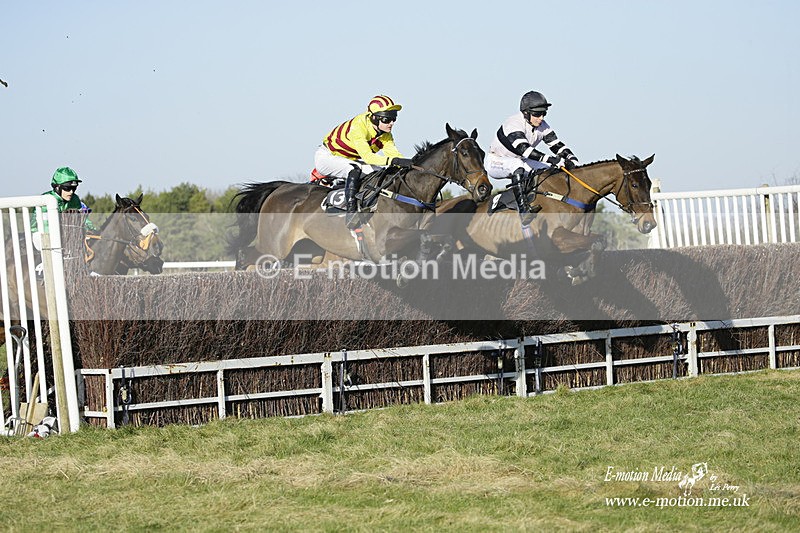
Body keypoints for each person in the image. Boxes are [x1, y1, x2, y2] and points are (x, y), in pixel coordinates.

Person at [313, 95, 413, 229]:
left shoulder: (385, 134)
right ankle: (351, 211)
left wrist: (409, 164)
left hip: (348, 159)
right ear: (374, 118)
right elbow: (368, 158)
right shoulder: (358, 127)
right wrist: (394, 160)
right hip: (327, 157)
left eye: (394, 118)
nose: (392, 123)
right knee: (354, 170)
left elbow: (394, 155)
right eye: (387, 119)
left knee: (381, 173)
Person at [485, 91, 580, 225]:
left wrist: (572, 158)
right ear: (525, 113)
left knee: (550, 170)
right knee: (516, 165)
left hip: (520, 160)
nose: (541, 118)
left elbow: (557, 146)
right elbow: (525, 150)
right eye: (537, 114)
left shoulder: (542, 125)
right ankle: (523, 210)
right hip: (496, 161)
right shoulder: (513, 123)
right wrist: (552, 159)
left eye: (543, 114)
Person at [30, 167, 97, 247]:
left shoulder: (75, 199)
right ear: (57, 187)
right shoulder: (46, 201)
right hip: (41, 233)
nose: (71, 192)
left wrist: (92, 230)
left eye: (74, 188)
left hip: (65, 234)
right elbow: (47, 227)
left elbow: (83, 219)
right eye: (67, 188)